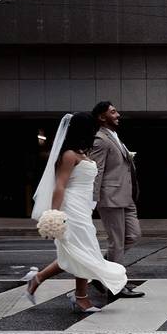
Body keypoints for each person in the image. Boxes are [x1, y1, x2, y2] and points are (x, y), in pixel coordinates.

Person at [23, 112, 128, 312]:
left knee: (78, 252)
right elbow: (60, 186)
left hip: (82, 207)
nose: (96, 132)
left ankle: (39, 279)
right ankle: (80, 298)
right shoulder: (69, 154)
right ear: (84, 130)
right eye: (94, 129)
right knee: (83, 251)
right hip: (70, 208)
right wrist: (54, 215)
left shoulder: (83, 154)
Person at [89, 101, 144, 298]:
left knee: (134, 236)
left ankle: (102, 272)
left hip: (126, 197)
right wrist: (93, 200)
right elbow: (97, 170)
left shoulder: (115, 136)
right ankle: (116, 287)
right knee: (117, 243)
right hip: (111, 197)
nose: (118, 114)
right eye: (113, 112)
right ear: (102, 117)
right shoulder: (100, 140)